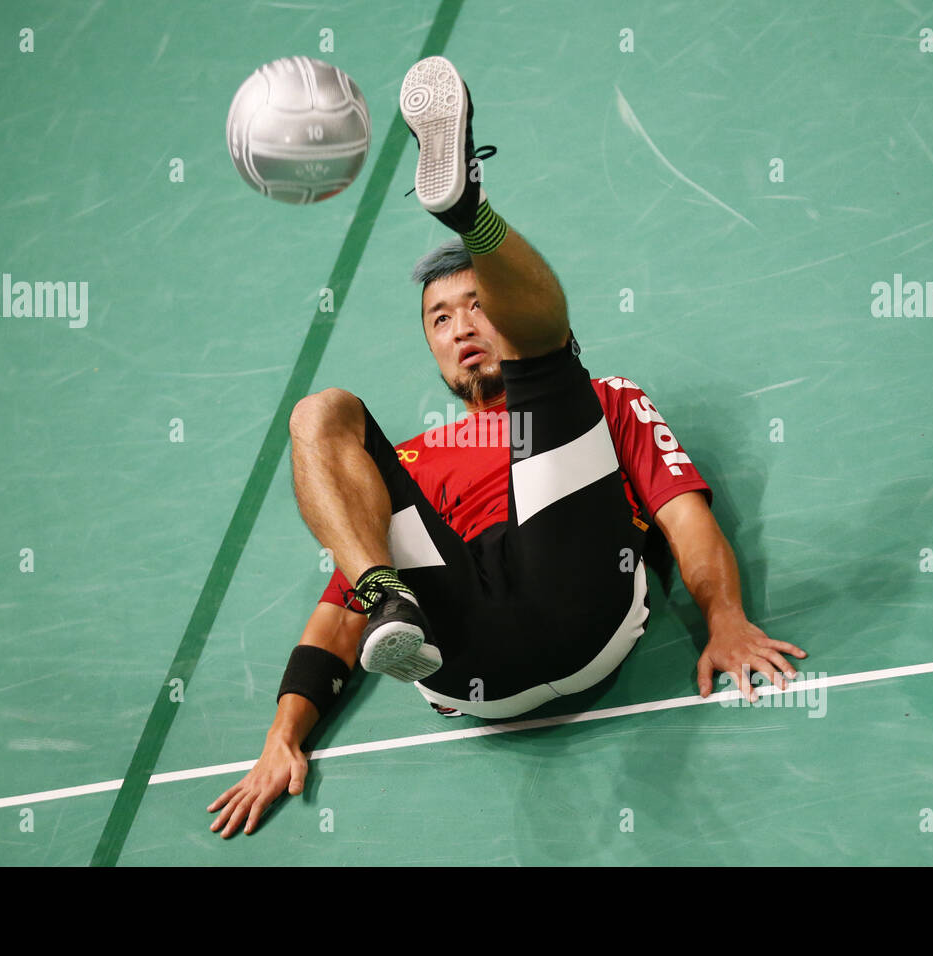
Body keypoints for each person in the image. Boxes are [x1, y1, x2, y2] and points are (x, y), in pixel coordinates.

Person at [209, 56, 805, 838]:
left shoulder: (606, 403)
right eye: (440, 317)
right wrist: (282, 738)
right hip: (458, 649)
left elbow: (682, 519)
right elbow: (336, 621)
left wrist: (725, 617)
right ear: (430, 346)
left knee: (549, 370)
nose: (461, 325)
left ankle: (469, 213)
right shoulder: (407, 463)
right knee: (321, 413)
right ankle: (398, 595)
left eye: (476, 304)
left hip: (578, 593)